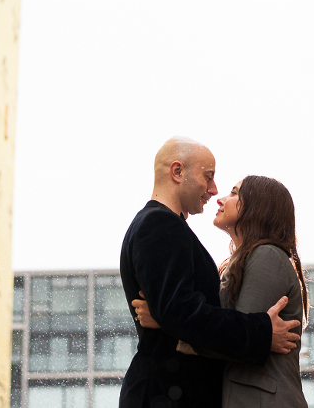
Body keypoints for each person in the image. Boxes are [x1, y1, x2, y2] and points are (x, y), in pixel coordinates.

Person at [119, 137, 301, 408]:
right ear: (177, 172)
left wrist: (165, 317)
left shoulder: (162, 226)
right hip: (168, 393)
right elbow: (181, 311)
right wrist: (261, 333)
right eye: (208, 177)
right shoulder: (160, 225)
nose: (214, 190)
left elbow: (177, 313)